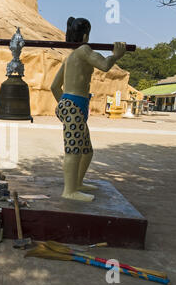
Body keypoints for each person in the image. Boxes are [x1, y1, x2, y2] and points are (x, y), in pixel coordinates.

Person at [51, 17, 126, 202]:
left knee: (86, 150)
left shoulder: (69, 58)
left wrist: (64, 104)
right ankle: (69, 190)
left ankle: (77, 183)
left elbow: (53, 86)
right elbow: (104, 65)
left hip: (72, 105)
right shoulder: (84, 50)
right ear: (86, 35)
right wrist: (115, 55)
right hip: (74, 106)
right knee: (74, 150)